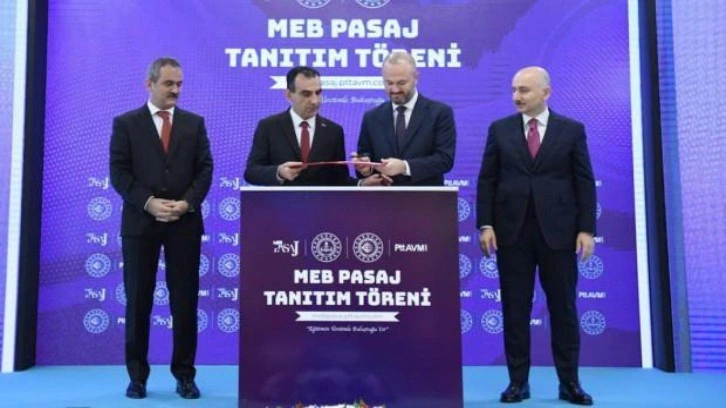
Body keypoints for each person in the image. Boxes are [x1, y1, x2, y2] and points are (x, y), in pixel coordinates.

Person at [476, 67, 596, 405]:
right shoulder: (499, 129)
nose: (517, 96)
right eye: (515, 89)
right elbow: (487, 180)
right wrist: (485, 224)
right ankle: (517, 383)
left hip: (559, 234)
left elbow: (584, 181)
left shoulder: (571, 130)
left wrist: (586, 229)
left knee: (563, 309)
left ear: (546, 92)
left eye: (525, 90)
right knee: (515, 310)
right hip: (511, 234)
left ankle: (570, 383)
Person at [110, 57, 213, 400]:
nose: (176, 90)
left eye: (179, 84)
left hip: (184, 223)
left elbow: (205, 170)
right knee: (138, 301)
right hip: (140, 223)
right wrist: (149, 202)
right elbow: (119, 172)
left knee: (184, 302)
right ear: (150, 83)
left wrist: (186, 203)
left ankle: (185, 376)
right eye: (169, 84)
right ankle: (137, 377)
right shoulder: (126, 123)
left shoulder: (194, 124)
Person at [244, 66, 388, 186]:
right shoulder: (269, 127)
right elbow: (251, 172)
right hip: (280, 208)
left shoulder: (333, 131)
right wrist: (279, 172)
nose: (315, 101)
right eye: (306, 94)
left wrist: (362, 183)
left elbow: (339, 180)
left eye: (318, 93)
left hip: (321, 209)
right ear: (288, 95)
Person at [354, 51, 456, 185]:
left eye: (401, 82)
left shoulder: (439, 113)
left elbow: (444, 160)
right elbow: (366, 161)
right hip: (384, 196)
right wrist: (365, 169)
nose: (395, 89)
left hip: (425, 196)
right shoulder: (372, 117)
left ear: (416, 77)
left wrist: (404, 166)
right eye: (389, 83)